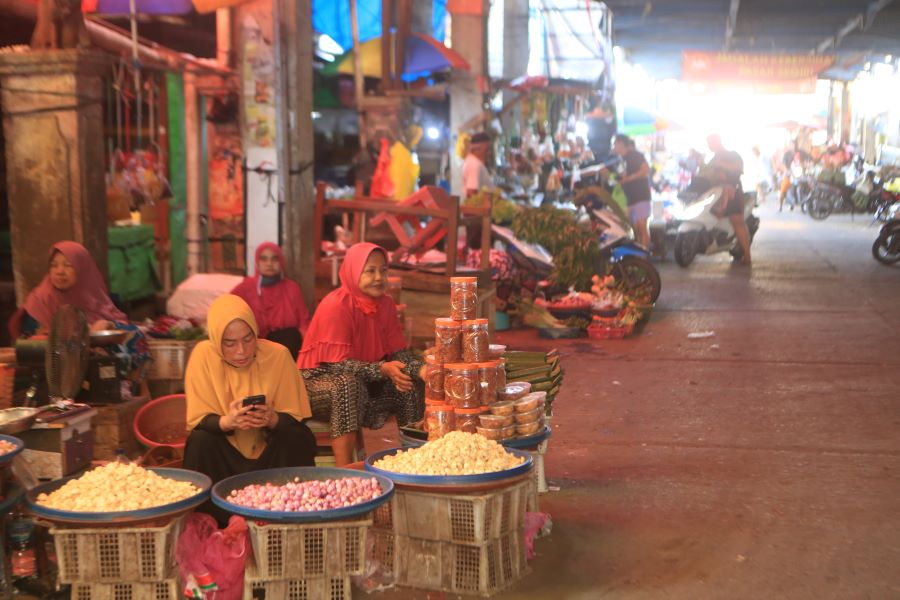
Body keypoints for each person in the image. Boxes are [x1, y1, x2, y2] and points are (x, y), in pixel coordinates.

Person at [184, 294, 315, 518]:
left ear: (256, 333)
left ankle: (291, 511)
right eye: (230, 343)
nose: (241, 351)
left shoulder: (278, 355)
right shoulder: (203, 356)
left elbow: (296, 415)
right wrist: (227, 422)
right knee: (200, 441)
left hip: (269, 453)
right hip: (225, 453)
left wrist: (272, 419)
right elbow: (200, 418)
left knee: (296, 436)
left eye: (248, 339)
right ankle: (213, 521)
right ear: (216, 340)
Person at [298, 243, 425, 466]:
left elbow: (398, 354)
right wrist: (381, 369)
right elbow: (337, 366)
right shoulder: (336, 305)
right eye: (370, 270)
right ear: (353, 271)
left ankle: (412, 462)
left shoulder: (385, 304)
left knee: (409, 383)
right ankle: (346, 470)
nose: (378, 277)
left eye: (383, 270)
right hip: (315, 383)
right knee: (346, 385)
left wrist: (423, 370)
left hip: (364, 380)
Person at [13, 241, 150, 380]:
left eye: (68, 265)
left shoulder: (94, 296)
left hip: (91, 361)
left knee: (134, 336)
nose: (59, 271)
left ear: (82, 269)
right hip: (55, 370)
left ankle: (130, 391)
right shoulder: (41, 301)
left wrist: (108, 325)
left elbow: (123, 329)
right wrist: (79, 333)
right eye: (54, 265)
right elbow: (32, 342)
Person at [230, 242, 310, 361]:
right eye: (264, 259)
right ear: (257, 262)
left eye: (274, 259)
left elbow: (304, 322)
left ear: (281, 262)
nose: (269, 263)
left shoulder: (291, 288)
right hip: (256, 350)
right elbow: (227, 314)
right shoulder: (245, 289)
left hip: (288, 349)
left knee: (292, 335)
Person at [706, 134, 751, 265]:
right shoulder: (713, 158)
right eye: (708, 143)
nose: (709, 145)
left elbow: (739, 167)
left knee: (737, 221)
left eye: (711, 142)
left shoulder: (732, 154)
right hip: (716, 193)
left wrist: (721, 164)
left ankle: (747, 256)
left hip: (732, 191)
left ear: (717, 142)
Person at [609, 134, 652, 249]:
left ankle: (644, 258)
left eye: (615, 143)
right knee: (636, 231)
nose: (613, 146)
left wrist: (629, 178)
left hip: (641, 195)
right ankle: (638, 259)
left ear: (621, 143)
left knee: (641, 227)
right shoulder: (619, 160)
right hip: (629, 199)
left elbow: (645, 170)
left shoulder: (635, 155)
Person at [462, 132, 494, 198]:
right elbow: (471, 193)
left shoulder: (472, 161)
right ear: (477, 149)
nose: (489, 153)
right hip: (481, 207)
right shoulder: (474, 165)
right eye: (486, 150)